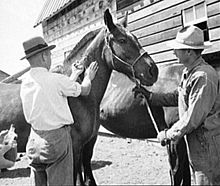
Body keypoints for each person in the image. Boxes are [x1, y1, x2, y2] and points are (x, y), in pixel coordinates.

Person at [133, 25, 220, 185]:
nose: (173, 52)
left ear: (189, 52)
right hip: (198, 143)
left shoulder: (203, 77)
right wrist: (151, 96)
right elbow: (178, 97)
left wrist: (167, 134)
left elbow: (192, 118)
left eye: (177, 49)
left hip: (206, 144)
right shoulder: (190, 73)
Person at [19, 36, 98, 186]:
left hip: (34, 140)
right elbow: (85, 90)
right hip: (55, 141)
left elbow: (60, 88)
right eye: (49, 54)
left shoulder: (25, 82)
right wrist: (88, 76)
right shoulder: (55, 79)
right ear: (43, 56)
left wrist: (74, 74)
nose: (50, 58)